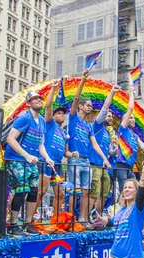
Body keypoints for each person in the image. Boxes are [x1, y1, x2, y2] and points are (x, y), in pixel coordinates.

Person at [4, 91, 55, 236]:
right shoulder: (23, 118)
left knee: (33, 192)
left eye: (40, 98)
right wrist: (26, 155)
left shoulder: (43, 121)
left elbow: (40, 144)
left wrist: (47, 157)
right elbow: (10, 139)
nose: (38, 100)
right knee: (21, 191)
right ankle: (13, 225)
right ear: (28, 103)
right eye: (34, 99)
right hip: (17, 160)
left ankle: (27, 224)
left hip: (32, 162)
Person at [35, 80, 74, 221]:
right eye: (58, 113)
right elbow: (48, 107)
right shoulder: (50, 124)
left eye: (63, 114)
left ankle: (56, 220)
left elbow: (66, 153)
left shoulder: (64, 133)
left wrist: (73, 154)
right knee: (42, 192)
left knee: (60, 195)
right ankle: (31, 219)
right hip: (46, 162)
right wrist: (53, 88)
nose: (61, 115)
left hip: (58, 165)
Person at [67, 69, 94, 228]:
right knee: (74, 191)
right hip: (74, 160)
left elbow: (94, 144)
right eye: (88, 105)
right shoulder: (73, 118)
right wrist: (83, 79)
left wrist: (104, 159)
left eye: (91, 105)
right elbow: (76, 98)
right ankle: (71, 219)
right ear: (81, 106)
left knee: (85, 191)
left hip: (86, 161)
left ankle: (82, 219)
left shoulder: (88, 125)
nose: (90, 107)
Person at [88, 85, 120, 218]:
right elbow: (105, 108)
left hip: (104, 167)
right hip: (93, 165)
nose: (111, 117)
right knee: (94, 193)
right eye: (109, 115)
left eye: (112, 116)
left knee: (104, 193)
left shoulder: (107, 133)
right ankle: (86, 218)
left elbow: (107, 151)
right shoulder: (97, 126)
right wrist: (112, 92)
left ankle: (98, 217)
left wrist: (114, 152)